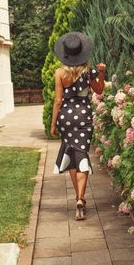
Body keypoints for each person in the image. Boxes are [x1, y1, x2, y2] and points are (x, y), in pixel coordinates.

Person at [50, 32, 106, 220]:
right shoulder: (88, 71)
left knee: (72, 157)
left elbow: (58, 100)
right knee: (81, 154)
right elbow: (99, 91)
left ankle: (78, 197)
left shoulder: (59, 73)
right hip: (83, 116)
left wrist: (53, 125)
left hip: (66, 117)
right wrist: (101, 73)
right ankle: (81, 198)